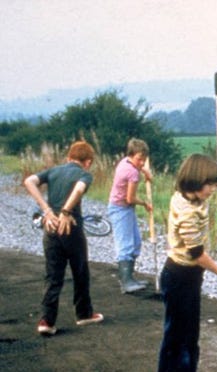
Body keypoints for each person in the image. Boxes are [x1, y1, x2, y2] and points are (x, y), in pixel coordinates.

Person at [152, 154, 217, 372]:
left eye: (215, 185)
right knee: (175, 336)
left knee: (190, 335)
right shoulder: (186, 211)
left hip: (190, 276)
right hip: (178, 276)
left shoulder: (191, 196)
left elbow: (203, 192)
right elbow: (196, 253)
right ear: (197, 182)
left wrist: (216, 182)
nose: (213, 190)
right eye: (210, 185)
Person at [23, 140, 104, 335]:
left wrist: (46, 210)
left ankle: (46, 321)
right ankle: (83, 314)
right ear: (88, 162)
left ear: (69, 158)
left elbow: (29, 181)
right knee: (80, 271)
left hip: (50, 226)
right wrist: (66, 211)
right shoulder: (84, 174)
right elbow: (79, 189)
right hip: (71, 227)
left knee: (53, 275)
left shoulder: (53, 171)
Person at [107, 138, 153, 293]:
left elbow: (136, 166)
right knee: (126, 245)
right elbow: (130, 198)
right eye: (139, 159)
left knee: (136, 242)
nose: (142, 162)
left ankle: (130, 278)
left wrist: (145, 171)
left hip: (125, 208)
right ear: (131, 155)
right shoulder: (132, 172)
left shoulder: (125, 162)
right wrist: (145, 203)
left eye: (144, 159)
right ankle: (126, 282)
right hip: (120, 209)